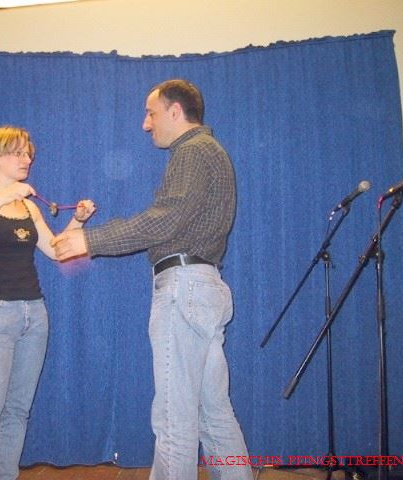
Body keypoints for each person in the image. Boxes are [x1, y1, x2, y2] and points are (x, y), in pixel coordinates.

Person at [52, 79, 252, 480]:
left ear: (175, 111)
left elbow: (165, 220)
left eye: (151, 113)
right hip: (203, 288)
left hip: (184, 289)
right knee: (214, 414)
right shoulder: (209, 151)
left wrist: (90, 239)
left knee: (174, 419)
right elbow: (173, 220)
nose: (146, 124)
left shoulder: (194, 151)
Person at [0, 125, 95, 480]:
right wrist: (1, 198)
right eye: (18, 152)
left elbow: (57, 251)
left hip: (34, 315)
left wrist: (77, 221)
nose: (27, 158)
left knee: (17, 412)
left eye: (28, 153)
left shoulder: (29, 207)